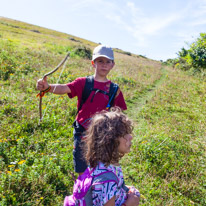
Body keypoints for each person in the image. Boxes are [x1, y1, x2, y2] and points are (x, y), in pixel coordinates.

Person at [36, 45, 127, 174]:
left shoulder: (114, 89)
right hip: (82, 133)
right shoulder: (84, 82)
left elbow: (119, 112)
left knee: (101, 166)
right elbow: (65, 88)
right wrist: (47, 87)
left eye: (108, 62)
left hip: (104, 135)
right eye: (100, 61)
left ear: (113, 65)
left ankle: (97, 189)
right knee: (82, 167)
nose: (104, 65)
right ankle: (82, 190)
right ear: (93, 63)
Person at [83, 108, 140, 206]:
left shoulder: (105, 164)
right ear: (110, 140)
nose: (130, 136)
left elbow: (113, 189)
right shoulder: (106, 180)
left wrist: (125, 189)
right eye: (124, 133)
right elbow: (108, 186)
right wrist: (131, 202)